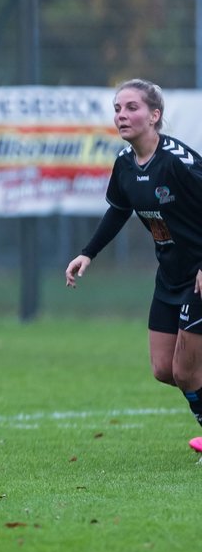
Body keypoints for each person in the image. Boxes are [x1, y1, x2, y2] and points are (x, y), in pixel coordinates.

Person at [65, 78, 202, 447]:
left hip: (198, 277)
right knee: (163, 369)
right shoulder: (125, 165)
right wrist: (87, 252)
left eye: (131, 108)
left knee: (186, 372)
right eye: (117, 109)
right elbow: (118, 211)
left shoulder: (178, 161)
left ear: (154, 115)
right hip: (170, 275)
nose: (121, 115)